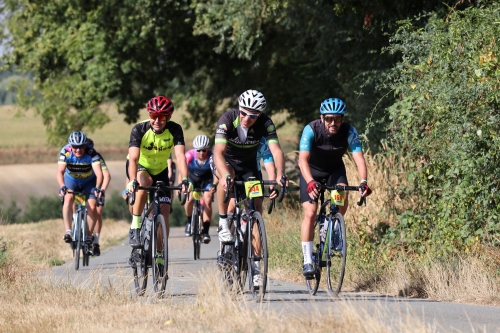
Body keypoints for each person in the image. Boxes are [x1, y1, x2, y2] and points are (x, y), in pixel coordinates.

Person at [213, 89, 288, 287]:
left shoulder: (266, 123)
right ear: (239, 109)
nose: (247, 118)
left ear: (260, 115)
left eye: (253, 115)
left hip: (249, 168)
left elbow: (276, 150)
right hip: (226, 162)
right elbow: (218, 152)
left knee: (256, 210)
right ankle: (223, 223)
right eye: (244, 113)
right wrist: (225, 175)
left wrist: (279, 175)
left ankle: (255, 266)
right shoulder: (227, 119)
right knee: (225, 179)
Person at [298, 97, 372, 278]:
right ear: (322, 118)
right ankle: (307, 259)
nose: (333, 123)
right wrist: (310, 182)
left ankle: (334, 225)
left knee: (342, 192)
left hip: (334, 170)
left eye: (337, 119)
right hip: (311, 173)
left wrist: (363, 181)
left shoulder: (349, 131)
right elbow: (302, 159)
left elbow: (359, 159)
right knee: (310, 213)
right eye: (329, 118)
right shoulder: (311, 130)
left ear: (343, 119)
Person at [126, 95, 189, 249]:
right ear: (149, 115)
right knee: (145, 183)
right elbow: (133, 158)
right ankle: (135, 226)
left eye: (162, 117)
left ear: (168, 117)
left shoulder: (175, 129)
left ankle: (160, 255)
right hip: (142, 167)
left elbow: (180, 156)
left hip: (161, 171)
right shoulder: (139, 129)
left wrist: (185, 179)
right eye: (153, 116)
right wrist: (133, 179)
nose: (157, 121)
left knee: (165, 213)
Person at [57, 131, 103, 249]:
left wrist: (98, 188)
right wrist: (62, 186)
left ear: (85, 145)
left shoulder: (91, 153)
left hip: (89, 182)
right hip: (71, 180)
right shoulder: (65, 152)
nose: (78, 150)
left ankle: (88, 236)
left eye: (81, 147)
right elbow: (60, 172)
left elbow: (99, 173)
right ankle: (68, 231)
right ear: (70, 146)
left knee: (92, 206)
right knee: (68, 198)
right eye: (75, 147)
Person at [182, 135, 217, 243]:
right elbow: (182, 169)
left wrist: (215, 184)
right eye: (199, 150)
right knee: (189, 200)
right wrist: (182, 183)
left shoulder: (212, 156)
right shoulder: (189, 155)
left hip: (207, 181)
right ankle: (189, 222)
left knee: (207, 200)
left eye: (204, 150)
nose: (201, 153)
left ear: (208, 149)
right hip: (192, 179)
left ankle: (205, 231)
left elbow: (217, 172)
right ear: (195, 149)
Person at [84, 138, 111, 256]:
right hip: (83, 187)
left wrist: (102, 189)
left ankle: (96, 241)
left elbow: (107, 175)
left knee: (98, 212)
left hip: (96, 187)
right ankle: (77, 224)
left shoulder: (97, 157)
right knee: (75, 204)